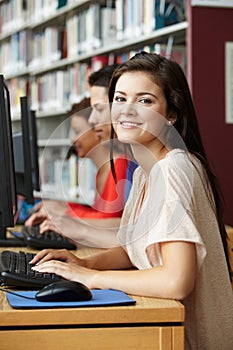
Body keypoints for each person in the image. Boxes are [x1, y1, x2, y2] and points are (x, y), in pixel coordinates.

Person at [31, 52, 233, 349]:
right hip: (169, 329)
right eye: (120, 98)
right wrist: (84, 263)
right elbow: (135, 250)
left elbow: (176, 280)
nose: (127, 110)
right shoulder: (145, 173)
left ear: (171, 114)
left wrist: (91, 278)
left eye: (145, 101)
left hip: (189, 340)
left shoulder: (174, 168)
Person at [26, 65, 136, 248]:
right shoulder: (114, 166)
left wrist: (67, 216)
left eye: (99, 110)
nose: (94, 120)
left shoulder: (124, 164)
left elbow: (120, 224)